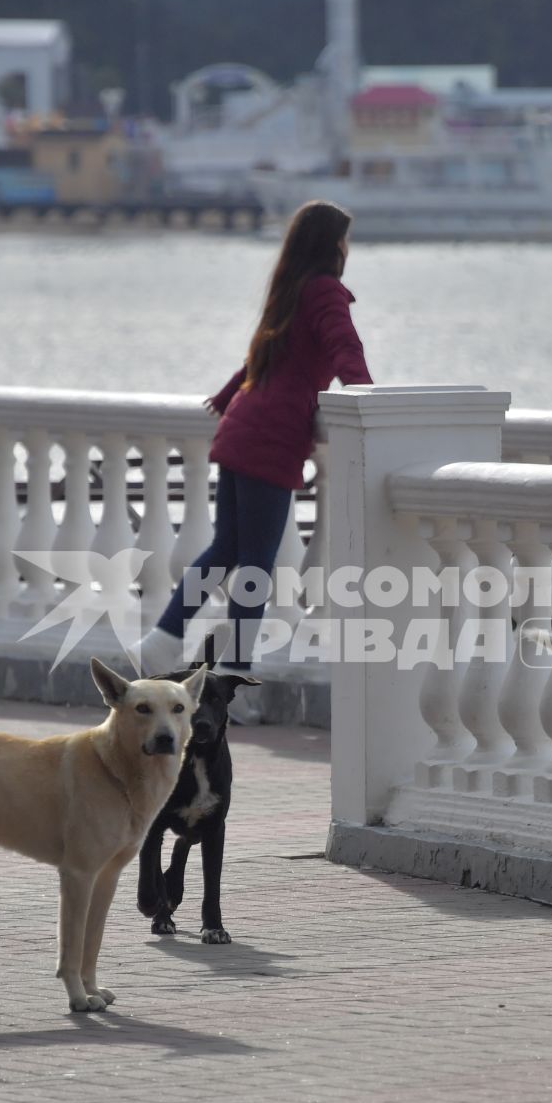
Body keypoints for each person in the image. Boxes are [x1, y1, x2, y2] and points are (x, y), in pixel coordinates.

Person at [135, 200, 372, 723]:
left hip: (245, 425)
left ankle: (164, 638)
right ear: (332, 244)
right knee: (255, 567)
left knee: (229, 547)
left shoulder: (289, 286)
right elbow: (343, 347)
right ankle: (230, 683)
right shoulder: (324, 290)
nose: (348, 249)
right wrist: (368, 398)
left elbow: (260, 356)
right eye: (345, 239)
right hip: (272, 436)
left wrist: (225, 399)